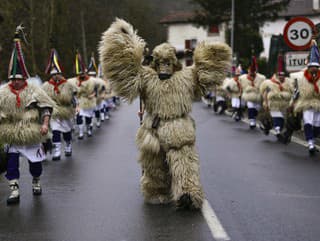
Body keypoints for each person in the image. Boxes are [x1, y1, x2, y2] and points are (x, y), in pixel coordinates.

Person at [99, 19, 231, 210]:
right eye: (160, 62)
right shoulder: (146, 77)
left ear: (174, 63)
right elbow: (127, 74)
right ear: (154, 62)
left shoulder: (187, 77)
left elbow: (204, 74)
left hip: (179, 128)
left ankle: (187, 193)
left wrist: (203, 55)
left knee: (184, 162)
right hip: (153, 128)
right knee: (154, 165)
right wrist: (127, 44)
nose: (164, 67)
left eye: (167, 62)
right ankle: (157, 190)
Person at [0, 26, 55, 205]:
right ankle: (14, 190)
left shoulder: (34, 90)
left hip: (31, 130)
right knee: (11, 162)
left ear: (25, 78)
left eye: (19, 79)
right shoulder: (3, 92)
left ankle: (36, 180)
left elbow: (46, 107)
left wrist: (45, 124)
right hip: (12, 132)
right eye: (13, 79)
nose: (16, 82)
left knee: (35, 163)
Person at [42, 49, 78, 160]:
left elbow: (74, 95)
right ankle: (57, 151)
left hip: (66, 111)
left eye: (57, 74)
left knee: (66, 131)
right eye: (54, 74)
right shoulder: (46, 86)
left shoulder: (67, 84)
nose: (56, 76)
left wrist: (75, 107)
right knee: (56, 131)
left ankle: (68, 145)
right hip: (54, 111)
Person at [288, 40, 320, 155]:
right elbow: (296, 91)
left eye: (316, 67)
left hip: (318, 104)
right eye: (312, 67)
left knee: (317, 126)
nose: (314, 69)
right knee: (308, 122)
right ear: (308, 67)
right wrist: (292, 103)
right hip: (306, 103)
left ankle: (312, 137)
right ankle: (310, 143)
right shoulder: (302, 78)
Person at [259, 53, 293, 138]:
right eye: (280, 75)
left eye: (283, 75)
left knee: (282, 119)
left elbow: (292, 93)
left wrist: (292, 104)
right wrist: (266, 103)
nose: (281, 77)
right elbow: (266, 94)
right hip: (274, 104)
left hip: (284, 105)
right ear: (277, 75)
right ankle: (277, 131)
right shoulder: (270, 83)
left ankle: (277, 129)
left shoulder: (288, 83)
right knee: (278, 117)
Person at [68, 52, 97, 139]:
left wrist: (93, 95)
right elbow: (72, 91)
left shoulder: (91, 81)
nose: (81, 75)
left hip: (88, 100)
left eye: (83, 73)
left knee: (88, 117)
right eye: (80, 74)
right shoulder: (74, 81)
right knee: (79, 117)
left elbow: (95, 90)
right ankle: (81, 132)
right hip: (79, 101)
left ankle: (88, 129)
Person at [239, 56, 266, 129]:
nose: (252, 75)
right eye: (251, 73)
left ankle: (253, 117)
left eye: (253, 73)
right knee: (250, 107)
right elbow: (241, 86)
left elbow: (264, 87)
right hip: (248, 96)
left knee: (256, 110)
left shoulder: (261, 78)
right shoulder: (243, 78)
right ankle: (252, 122)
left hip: (257, 97)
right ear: (248, 71)